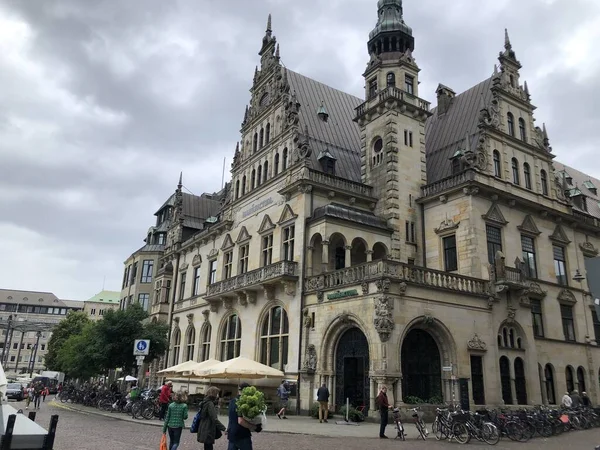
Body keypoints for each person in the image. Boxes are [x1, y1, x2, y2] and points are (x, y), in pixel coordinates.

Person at [227, 382, 261, 450]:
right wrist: (255, 427)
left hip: (232, 433)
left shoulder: (232, 401)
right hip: (242, 434)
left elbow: (231, 417)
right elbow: (241, 421)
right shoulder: (243, 403)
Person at [197, 386, 226, 450]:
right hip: (208, 428)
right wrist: (223, 428)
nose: (218, 395)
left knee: (207, 446)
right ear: (214, 394)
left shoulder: (204, 402)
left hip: (204, 427)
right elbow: (214, 418)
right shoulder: (210, 404)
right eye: (217, 393)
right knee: (209, 446)